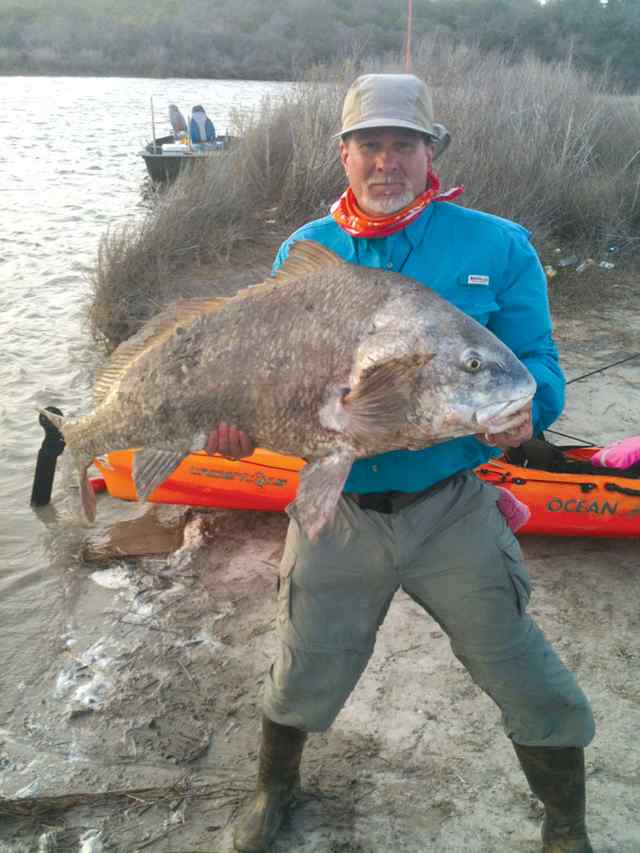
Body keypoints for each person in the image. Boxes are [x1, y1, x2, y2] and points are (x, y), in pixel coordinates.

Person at [206, 74, 595, 853]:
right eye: (370, 146)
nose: (386, 162)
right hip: (339, 507)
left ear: (430, 152)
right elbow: (275, 380)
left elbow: (539, 365)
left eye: (403, 146)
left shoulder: (498, 246)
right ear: (344, 154)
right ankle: (274, 790)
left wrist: (532, 411)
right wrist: (237, 423)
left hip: (451, 507)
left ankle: (566, 827)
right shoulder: (306, 252)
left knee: (523, 669)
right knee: (302, 666)